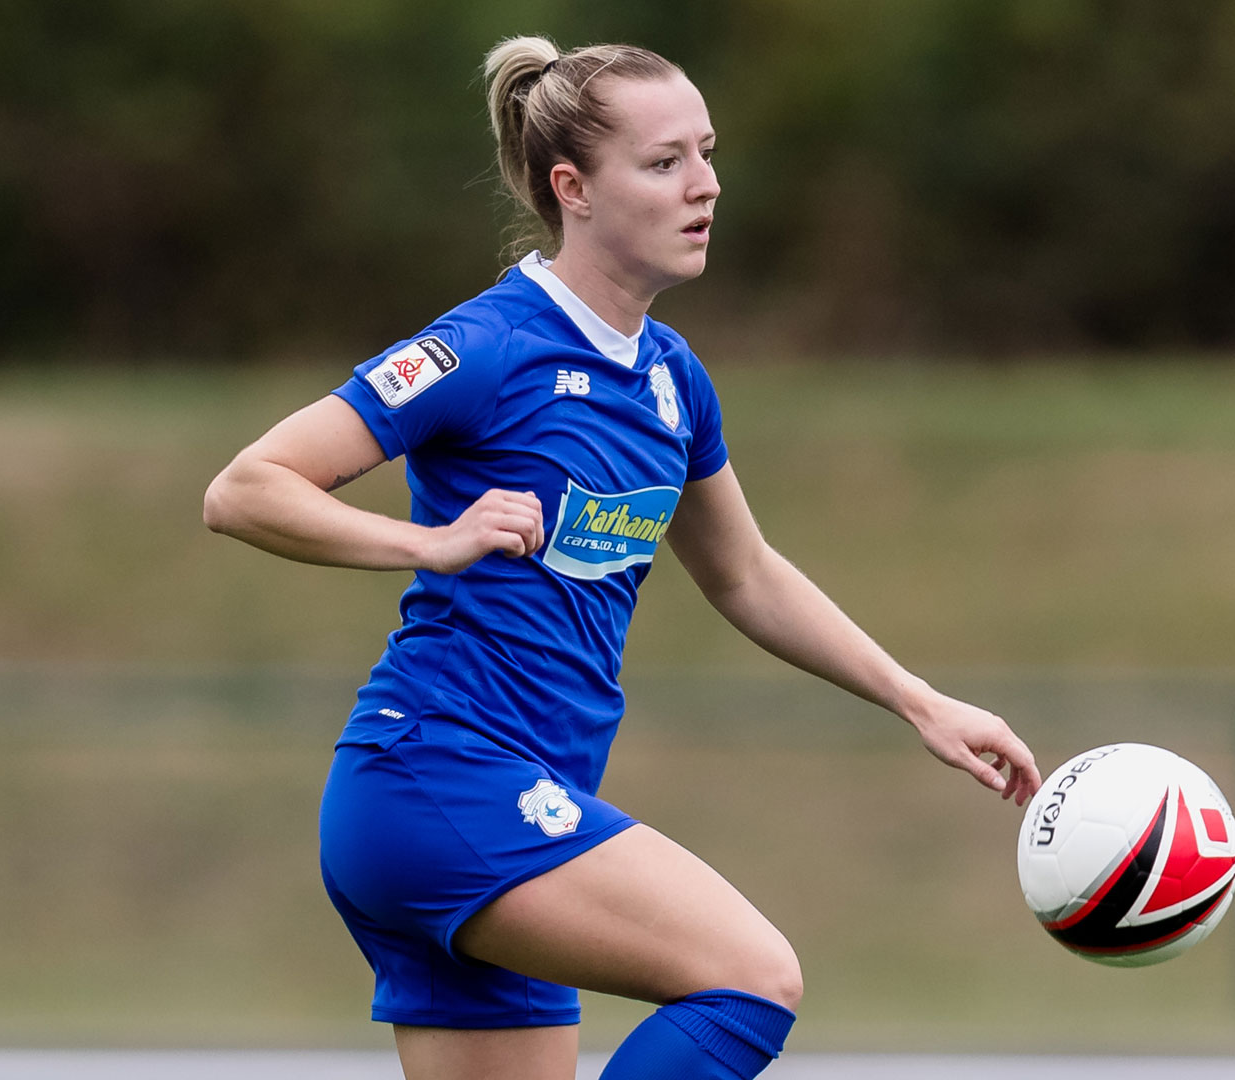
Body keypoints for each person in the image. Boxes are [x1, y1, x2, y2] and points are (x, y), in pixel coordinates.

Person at [203, 35, 1041, 1080]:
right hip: (439, 781)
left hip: (501, 807)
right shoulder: (489, 346)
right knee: (750, 977)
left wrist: (923, 702)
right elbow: (246, 489)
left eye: (708, 152)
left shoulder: (671, 380)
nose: (707, 185)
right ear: (574, 188)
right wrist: (430, 541)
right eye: (665, 162)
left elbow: (745, 573)